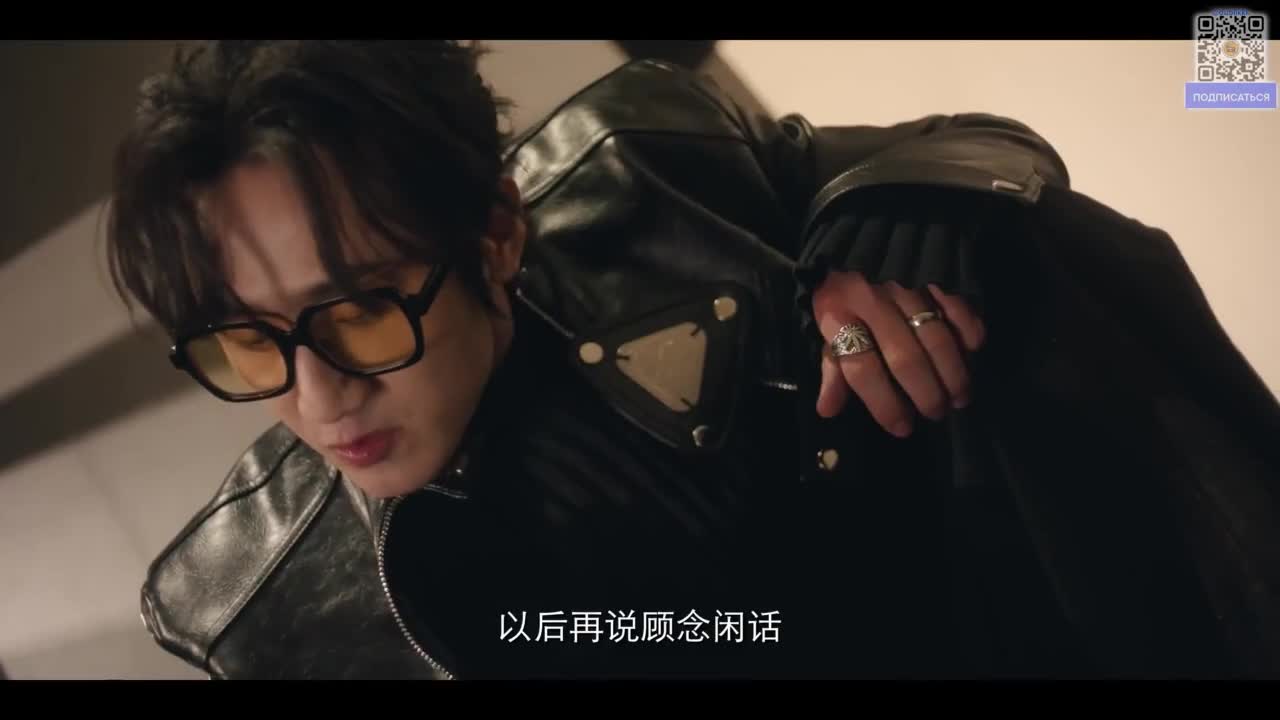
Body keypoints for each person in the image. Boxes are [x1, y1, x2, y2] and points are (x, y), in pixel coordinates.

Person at [106, 41, 1280, 680]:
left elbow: (969, 154)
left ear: (496, 233)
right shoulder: (259, 614)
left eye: (360, 312)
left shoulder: (643, 171)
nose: (318, 398)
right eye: (246, 342)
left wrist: (880, 220)